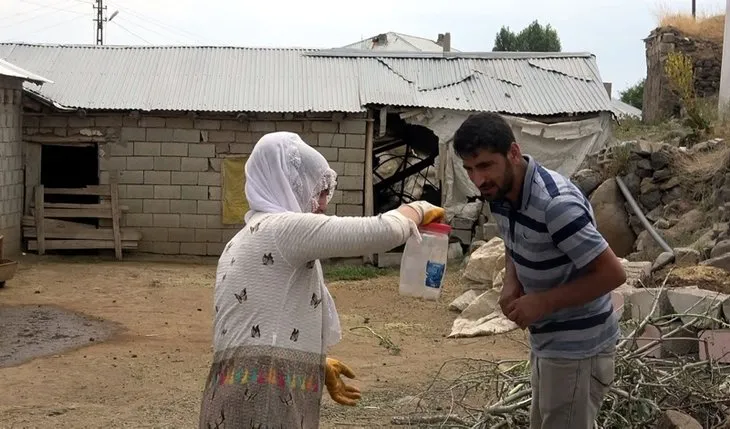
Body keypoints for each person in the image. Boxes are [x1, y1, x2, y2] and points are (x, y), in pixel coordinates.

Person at [198, 131, 444, 429]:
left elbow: (260, 319)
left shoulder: (244, 238)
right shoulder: (282, 229)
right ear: (287, 183)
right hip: (263, 398)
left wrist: (317, 362)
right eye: (318, 191)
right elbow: (384, 232)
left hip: (241, 392)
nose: (324, 203)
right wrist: (417, 209)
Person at [452, 112, 627, 429]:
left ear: (514, 153)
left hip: (579, 349)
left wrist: (542, 302)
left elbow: (613, 274)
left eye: (485, 165)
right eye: (469, 169)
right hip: (547, 342)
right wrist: (511, 282)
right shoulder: (501, 193)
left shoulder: (556, 205)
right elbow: (512, 242)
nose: (478, 179)